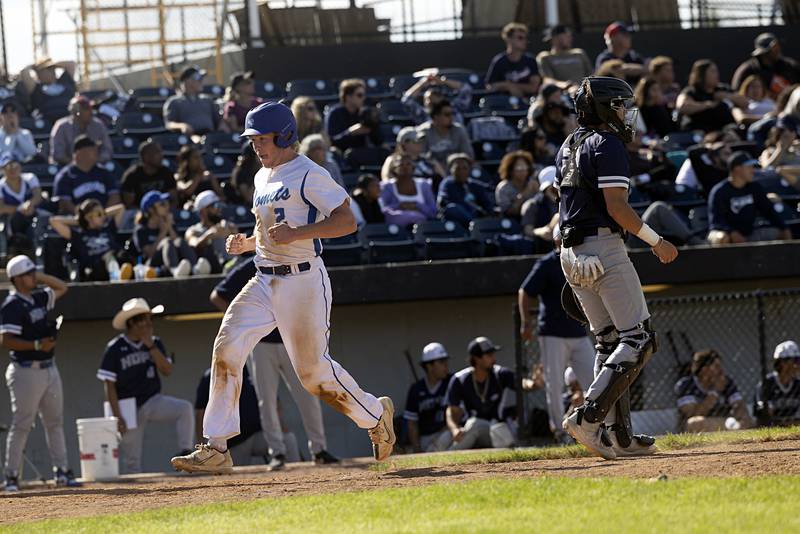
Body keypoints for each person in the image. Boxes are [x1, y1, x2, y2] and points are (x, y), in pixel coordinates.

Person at [170, 102, 395, 475]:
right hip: (264, 276)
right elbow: (268, 230)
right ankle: (216, 446)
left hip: (303, 280)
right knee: (227, 345)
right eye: (253, 139)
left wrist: (299, 233)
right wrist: (247, 244)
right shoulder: (262, 177)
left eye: (262, 139)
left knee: (312, 374)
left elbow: (346, 221)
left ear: (285, 135)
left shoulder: (309, 172)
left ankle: (375, 415)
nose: (256, 146)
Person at [557, 76, 679, 460]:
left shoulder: (569, 143)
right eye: (622, 106)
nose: (627, 114)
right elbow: (617, 208)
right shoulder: (607, 143)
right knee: (639, 339)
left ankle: (619, 437)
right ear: (606, 109)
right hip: (603, 246)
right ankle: (588, 418)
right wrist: (657, 242)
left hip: (571, 252)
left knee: (610, 342)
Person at [209, 256, 339, 469]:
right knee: (266, 400)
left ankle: (319, 449)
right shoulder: (254, 263)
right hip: (262, 343)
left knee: (308, 393)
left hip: (292, 340)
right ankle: (277, 453)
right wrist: (245, 323)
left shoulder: (294, 258)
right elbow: (217, 295)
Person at [1, 255, 78, 492]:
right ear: (16, 279)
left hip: (48, 367)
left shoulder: (37, 297)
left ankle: (62, 471)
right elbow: (6, 340)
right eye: (28, 274)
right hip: (26, 370)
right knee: (22, 424)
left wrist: (36, 274)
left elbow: (62, 287)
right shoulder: (12, 304)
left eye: (33, 272)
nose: (33, 277)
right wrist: (36, 345)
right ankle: (11, 476)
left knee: (54, 422)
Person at [96, 298, 194, 474]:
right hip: (128, 407)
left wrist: (149, 345)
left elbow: (167, 370)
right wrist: (117, 416)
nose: (149, 323)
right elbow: (109, 386)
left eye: (150, 319)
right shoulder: (115, 348)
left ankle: (186, 452)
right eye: (144, 319)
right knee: (133, 462)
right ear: (132, 323)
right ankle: (138, 500)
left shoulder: (155, 342)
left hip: (152, 400)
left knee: (184, 408)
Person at [519, 228, 594, 443]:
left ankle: (598, 425)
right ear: (557, 240)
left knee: (594, 378)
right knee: (554, 384)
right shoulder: (547, 263)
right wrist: (526, 322)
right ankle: (560, 432)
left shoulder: (578, 260)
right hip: (552, 332)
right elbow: (525, 291)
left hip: (578, 331)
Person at [445, 336, 518, 450]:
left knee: (497, 429)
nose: (494, 359)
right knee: (473, 425)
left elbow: (522, 384)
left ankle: (452, 454)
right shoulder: (460, 379)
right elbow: (451, 410)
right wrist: (454, 429)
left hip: (498, 428)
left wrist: (533, 383)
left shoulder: (500, 373)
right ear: (477, 358)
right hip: (473, 430)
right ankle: (450, 456)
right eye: (489, 355)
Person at [195, 363, 272, 466]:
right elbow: (200, 411)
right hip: (233, 442)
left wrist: (281, 425)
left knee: (288, 441)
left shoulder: (251, 370)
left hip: (259, 433)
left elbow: (272, 400)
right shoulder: (211, 375)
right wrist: (201, 442)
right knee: (234, 475)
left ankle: (295, 473)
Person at [707, 151, 791, 245]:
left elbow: (768, 211)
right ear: (737, 169)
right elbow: (717, 222)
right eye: (749, 167)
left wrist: (784, 228)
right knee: (721, 237)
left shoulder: (754, 187)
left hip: (749, 233)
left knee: (782, 233)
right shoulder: (720, 191)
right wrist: (731, 232)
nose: (753, 170)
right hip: (726, 233)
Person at [48, 199, 132, 281]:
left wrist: (101, 213)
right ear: (88, 217)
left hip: (117, 261)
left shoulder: (108, 229)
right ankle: (116, 275)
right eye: (99, 214)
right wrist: (80, 220)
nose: (103, 217)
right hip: (95, 270)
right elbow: (53, 221)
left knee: (124, 258)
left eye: (104, 213)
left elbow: (121, 208)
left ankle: (122, 274)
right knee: (106, 258)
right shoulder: (78, 235)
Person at [675, 349, 754, 432]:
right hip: (703, 426)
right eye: (716, 366)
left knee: (747, 420)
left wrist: (742, 417)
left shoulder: (726, 382)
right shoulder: (686, 384)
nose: (721, 370)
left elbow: (740, 405)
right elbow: (693, 414)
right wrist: (715, 392)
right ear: (704, 370)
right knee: (695, 423)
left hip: (726, 422)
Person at [403, 342, 454, 453]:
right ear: (429, 366)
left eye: (446, 361)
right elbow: (412, 423)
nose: (446, 365)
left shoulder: (452, 382)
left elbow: (458, 415)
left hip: (448, 433)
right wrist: (417, 448)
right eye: (441, 362)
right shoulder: (416, 389)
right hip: (425, 438)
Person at [52, 135, 120, 214]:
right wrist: (86, 219)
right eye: (92, 149)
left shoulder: (104, 172)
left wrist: (101, 215)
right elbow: (64, 204)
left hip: (104, 217)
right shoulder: (65, 176)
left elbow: (114, 196)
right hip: (76, 221)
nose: (97, 152)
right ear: (79, 153)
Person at [676, 59, 746, 133]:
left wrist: (726, 96)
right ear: (701, 74)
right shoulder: (691, 91)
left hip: (725, 130)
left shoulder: (723, 89)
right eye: (712, 71)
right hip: (700, 131)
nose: (717, 74)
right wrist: (707, 105)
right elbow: (682, 106)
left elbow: (745, 102)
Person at [732, 33, 800, 99]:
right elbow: (737, 93)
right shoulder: (748, 69)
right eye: (773, 47)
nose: (777, 49)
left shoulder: (790, 66)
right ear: (763, 52)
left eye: (777, 46)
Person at [163, 66, 227, 136]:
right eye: (198, 79)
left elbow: (219, 119)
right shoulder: (174, 102)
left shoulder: (207, 100)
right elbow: (168, 124)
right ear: (187, 81)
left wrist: (222, 125)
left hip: (210, 136)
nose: (201, 81)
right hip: (190, 138)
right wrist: (182, 126)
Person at [183, 190, 236, 275]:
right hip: (208, 265)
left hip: (231, 265)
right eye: (215, 206)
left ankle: (229, 264)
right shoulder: (193, 230)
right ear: (203, 211)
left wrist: (231, 233)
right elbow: (194, 244)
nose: (218, 209)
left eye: (219, 205)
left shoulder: (227, 226)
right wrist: (209, 236)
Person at [49, 95, 112, 165]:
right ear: (76, 112)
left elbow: (107, 150)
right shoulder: (61, 126)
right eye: (86, 109)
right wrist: (79, 165)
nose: (91, 112)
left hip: (95, 166)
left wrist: (96, 162)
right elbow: (58, 155)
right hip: (67, 167)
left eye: (91, 108)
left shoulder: (98, 125)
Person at [437, 152, 494, 227]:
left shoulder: (474, 184)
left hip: (476, 216)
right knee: (452, 208)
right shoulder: (447, 184)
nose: (461, 171)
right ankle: (476, 225)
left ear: (469, 169)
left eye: (464, 168)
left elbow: (486, 202)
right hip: (457, 219)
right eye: (457, 168)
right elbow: (445, 203)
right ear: (451, 170)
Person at [485, 22, 541, 98]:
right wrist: (508, 86)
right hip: (505, 105)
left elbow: (533, 87)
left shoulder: (530, 60)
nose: (524, 41)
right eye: (520, 38)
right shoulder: (499, 61)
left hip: (529, 103)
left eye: (525, 38)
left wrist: (511, 86)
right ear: (508, 39)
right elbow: (490, 86)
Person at [379, 153, 437, 227]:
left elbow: (433, 212)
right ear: (393, 169)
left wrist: (416, 205)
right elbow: (383, 210)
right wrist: (400, 206)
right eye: (401, 165)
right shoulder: (386, 187)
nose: (405, 167)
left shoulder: (424, 185)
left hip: (423, 228)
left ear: (413, 167)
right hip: (396, 229)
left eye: (408, 164)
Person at [131, 190, 178, 278]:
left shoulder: (168, 223)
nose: (167, 207)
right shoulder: (141, 230)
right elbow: (150, 254)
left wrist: (170, 228)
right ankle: (175, 270)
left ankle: (193, 268)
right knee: (167, 241)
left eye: (166, 203)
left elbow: (178, 245)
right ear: (151, 209)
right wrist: (163, 232)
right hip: (150, 267)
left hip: (168, 264)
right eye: (162, 204)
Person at [0, 153, 42, 250]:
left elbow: (38, 196)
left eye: (15, 165)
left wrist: (30, 204)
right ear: (3, 169)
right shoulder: (1, 186)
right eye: (9, 166)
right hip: (12, 221)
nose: (13, 169)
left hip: (33, 214)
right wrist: (20, 209)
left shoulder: (30, 178)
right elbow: (1, 208)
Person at [120, 140, 178, 209]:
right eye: (157, 153)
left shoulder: (166, 173)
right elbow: (129, 205)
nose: (161, 156)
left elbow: (174, 200)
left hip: (164, 211)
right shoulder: (132, 176)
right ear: (146, 157)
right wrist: (147, 214)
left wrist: (163, 213)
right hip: (139, 213)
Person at [754, 341, 800, 427]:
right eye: (796, 360)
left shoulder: (798, 385)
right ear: (783, 362)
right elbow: (766, 417)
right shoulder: (767, 384)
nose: (798, 365)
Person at [417, 100, 474, 169]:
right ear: (436, 117)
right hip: (432, 171)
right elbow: (421, 156)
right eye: (447, 114)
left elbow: (468, 155)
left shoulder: (459, 130)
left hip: (456, 169)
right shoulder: (423, 131)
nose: (451, 117)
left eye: (452, 114)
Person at [19, 57, 77, 123]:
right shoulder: (36, 89)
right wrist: (34, 66)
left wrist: (51, 64)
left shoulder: (65, 81)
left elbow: (71, 64)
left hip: (70, 120)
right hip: (47, 123)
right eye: (45, 70)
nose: (51, 71)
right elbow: (24, 72)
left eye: (51, 69)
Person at [401, 72, 473, 126]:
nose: (430, 102)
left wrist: (443, 81)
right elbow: (406, 100)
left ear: (443, 98)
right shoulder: (422, 115)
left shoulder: (454, 109)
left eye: (437, 95)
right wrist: (422, 83)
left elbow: (466, 89)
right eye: (428, 99)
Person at [325, 79, 377, 151]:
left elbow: (378, 141)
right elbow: (331, 140)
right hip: (342, 154)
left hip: (361, 152)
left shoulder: (364, 113)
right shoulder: (335, 113)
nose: (363, 98)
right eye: (359, 95)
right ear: (348, 96)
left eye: (363, 95)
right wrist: (350, 132)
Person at [495, 150, 538, 220]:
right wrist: (524, 194)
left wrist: (539, 191)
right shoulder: (503, 188)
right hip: (512, 222)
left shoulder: (533, 184)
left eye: (525, 168)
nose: (523, 171)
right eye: (519, 168)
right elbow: (508, 212)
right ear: (510, 170)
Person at [520, 165, 558, 243]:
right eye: (553, 188)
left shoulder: (571, 202)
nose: (557, 191)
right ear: (545, 190)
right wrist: (540, 231)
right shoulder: (533, 204)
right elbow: (527, 230)